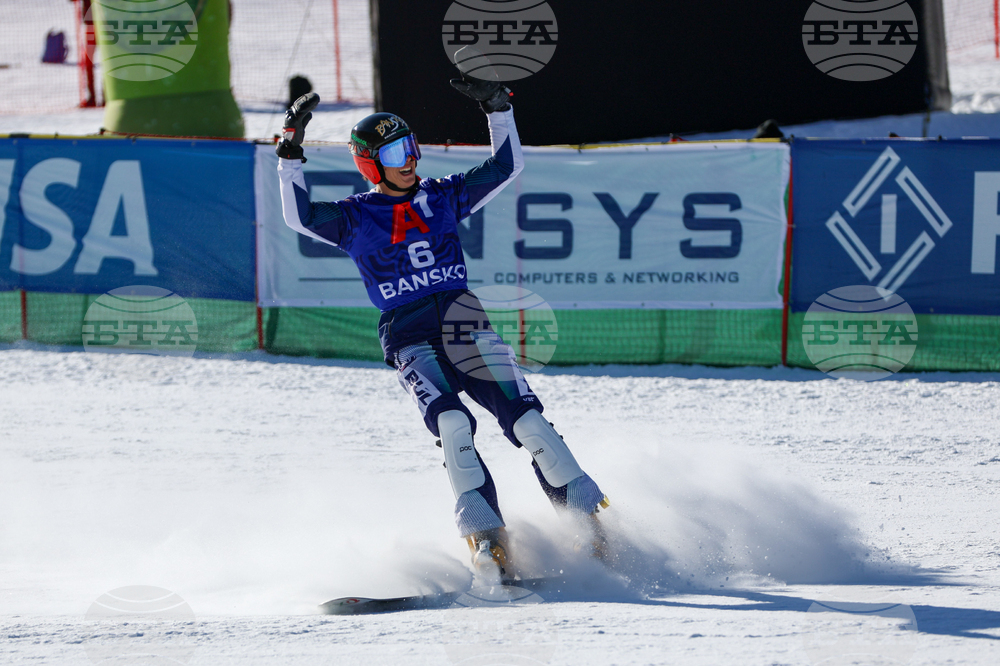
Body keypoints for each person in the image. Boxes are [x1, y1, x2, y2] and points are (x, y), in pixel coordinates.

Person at [275, 78, 608, 579]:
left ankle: (593, 529)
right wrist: (290, 149)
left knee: (529, 423)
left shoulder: (444, 196)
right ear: (370, 163)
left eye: (410, 147)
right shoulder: (354, 217)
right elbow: (298, 216)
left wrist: (498, 110)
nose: (408, 160)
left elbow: (506, 165)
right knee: (453, 426)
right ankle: (489, 543)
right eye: (394, 153)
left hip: (465, 324)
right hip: (409, 337)